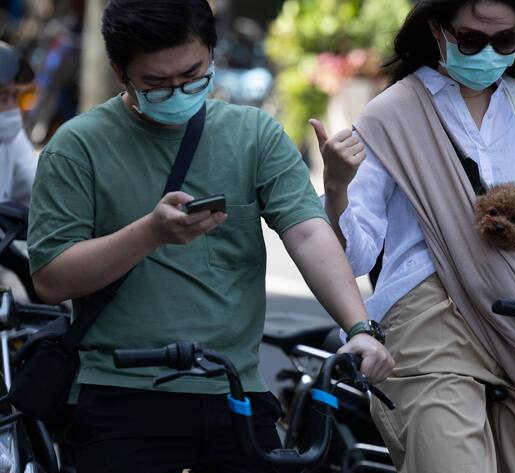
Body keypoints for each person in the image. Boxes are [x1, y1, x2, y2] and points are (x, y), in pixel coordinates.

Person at [25, 1, 393, 472]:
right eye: (156, 83)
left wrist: (359, 329)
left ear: (212, 54)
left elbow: (306, 232)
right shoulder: (76, 147)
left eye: (193, 74)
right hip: (119, 395)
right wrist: (150, 233)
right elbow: (52, 279)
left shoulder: (255, 134)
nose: (178, 90)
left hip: (237, 393)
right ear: (120, 73)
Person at [316, 1, 515, 472]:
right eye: (471, 39)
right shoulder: (392, 113)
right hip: (428, 318)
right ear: (438, 31)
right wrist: (338, 185)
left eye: (503, 40)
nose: (487, 52)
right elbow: (358, 255)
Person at [0, 40, 36, 205]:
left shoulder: (10, 138)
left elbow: (39, 185)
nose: (12, 109)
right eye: (2, 97)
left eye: (14, 96)